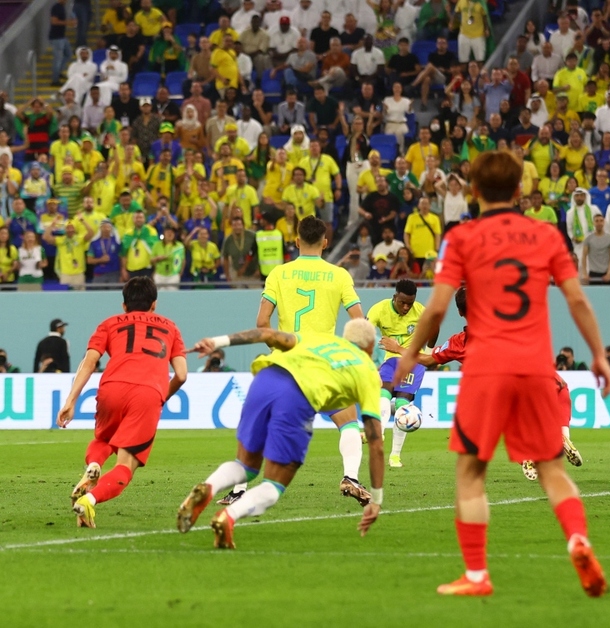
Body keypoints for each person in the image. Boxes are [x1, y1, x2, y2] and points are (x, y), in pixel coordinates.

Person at [394, 150, 610, 597]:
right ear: (518, 191)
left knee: (471, 473)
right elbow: (576, 300)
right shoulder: (546, 234)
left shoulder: (461, 238)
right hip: (534, 366)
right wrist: (599, 356)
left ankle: (476, 575)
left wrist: (410, 355)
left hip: (485, 368)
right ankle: (577, 539)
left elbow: (436, 307)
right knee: (551, 468)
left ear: (472, 192)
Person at [176, 318, 385, 548]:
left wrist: (216, 341)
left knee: (245, 466)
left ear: (346, 338)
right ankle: (229, 516)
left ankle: (210, 486)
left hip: (264, 380)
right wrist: (376, 500)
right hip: (297, 398)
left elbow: (267, 334)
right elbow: (376, 443)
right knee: (274, 486)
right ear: (371, 347)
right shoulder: (367, 371)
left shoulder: (320, 339)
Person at [219, 216, 368, 505]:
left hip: (285, 365)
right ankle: (350, 477)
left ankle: (238, 491)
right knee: (348, 421)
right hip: (323, 365)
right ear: (325, 243)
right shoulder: (339, 276)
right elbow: (359, 322)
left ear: (297, 241)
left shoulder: (278, 273)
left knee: (260, 426)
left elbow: (262, 321)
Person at [381, 287, 584, 481]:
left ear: (461, 313)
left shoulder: (458, 343)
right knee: (561, 389)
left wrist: (398, 348)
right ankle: (561, 436)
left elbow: (426, 360)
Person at [57, 278, 187, 528]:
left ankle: (94, 464)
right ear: (154, 305)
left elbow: (89, 361)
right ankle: (88, 501)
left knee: (104, 439)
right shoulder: (170, 327)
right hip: (147, 394)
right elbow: (181, 374)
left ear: (124, 305)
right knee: (125, 466)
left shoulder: (108, 323)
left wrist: (70, 400)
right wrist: (162, 397)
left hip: (111, 388)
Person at [367, 279, 434, 468]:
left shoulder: (420, 311)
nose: (406, 307)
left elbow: (433, 329)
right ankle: (378, 433)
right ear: (394, 296)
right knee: (383, 395)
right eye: (402, 302)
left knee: (403, 405)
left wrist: (428, 351)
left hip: (412, 362)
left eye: (409, 304)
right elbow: (365, 331)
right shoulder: (379, 310)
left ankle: (395, 455)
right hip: (390, 361)